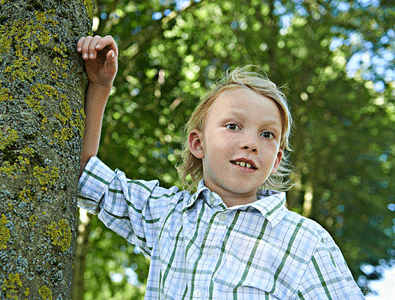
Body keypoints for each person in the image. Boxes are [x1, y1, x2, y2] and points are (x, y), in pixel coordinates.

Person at [76, 35, 365, 299]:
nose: (251, 143)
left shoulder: (305, 241)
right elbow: (83, 174)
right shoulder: (165, 215)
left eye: (267, 135)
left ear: (275, 161)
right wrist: (100, 87)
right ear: (197, 144)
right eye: (233, 126)